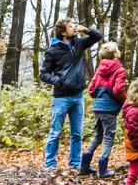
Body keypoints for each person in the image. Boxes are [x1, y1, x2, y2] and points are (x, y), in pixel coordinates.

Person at [39, 18, 104, 171]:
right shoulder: (53, 50)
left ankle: (75, 163)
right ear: (63, 31)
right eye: (71, 26)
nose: (74, 28)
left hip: (78, 96)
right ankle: (50, 164)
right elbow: (44, 74)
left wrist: (86, 29)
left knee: (77, 133)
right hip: (61, 98)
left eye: (75, 25)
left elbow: (98, 36)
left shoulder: (79, 44)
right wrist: (58, 81)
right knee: (55, 132)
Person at [80, 42, 127, 177]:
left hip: (98, 107)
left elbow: (91, 89)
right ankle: (103, 169)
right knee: (108, 138)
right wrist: (124, 100)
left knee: (97, 136)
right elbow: (118, 90)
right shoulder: (119, 70)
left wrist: (99, 96)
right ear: (114, 54)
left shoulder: (100, 69)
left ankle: (84, 166)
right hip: (109, 109)